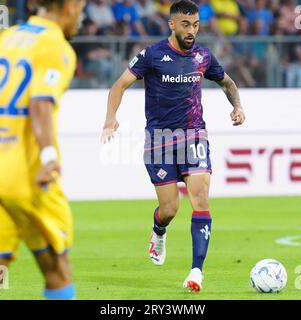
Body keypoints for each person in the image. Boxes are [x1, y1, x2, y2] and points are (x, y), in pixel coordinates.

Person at [0, 0, 85, 300]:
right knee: (58, 272)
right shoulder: (55, 46)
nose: (81, 15)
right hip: (29, 175)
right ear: (70, 6)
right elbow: (40, 104)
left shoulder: (5, 39)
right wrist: (48, 157)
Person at [101, 0, 245, 292]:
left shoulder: (203, 56)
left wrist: (238, 107)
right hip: (159, 140)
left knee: (201, 200)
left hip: (194, 135)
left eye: (195, 25)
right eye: (185, 25)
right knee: (169, 208)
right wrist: (110, 118)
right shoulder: (152, 55)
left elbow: (228, 83)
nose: (191, 31)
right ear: (172, 24)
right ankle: (159, 231)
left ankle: (196, 272)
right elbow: (119, 85)